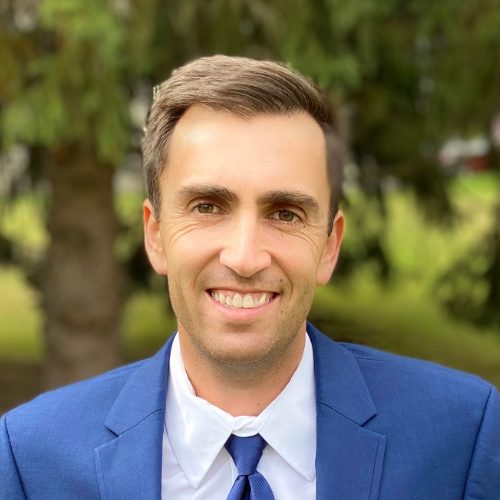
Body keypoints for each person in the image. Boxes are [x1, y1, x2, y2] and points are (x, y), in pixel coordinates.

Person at [1, 55, 499, 500]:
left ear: (329, 245)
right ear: (155, 235)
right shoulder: (31, 460)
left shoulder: (462, 438)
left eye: (284, 213)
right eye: (208, 206)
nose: (244, 258)